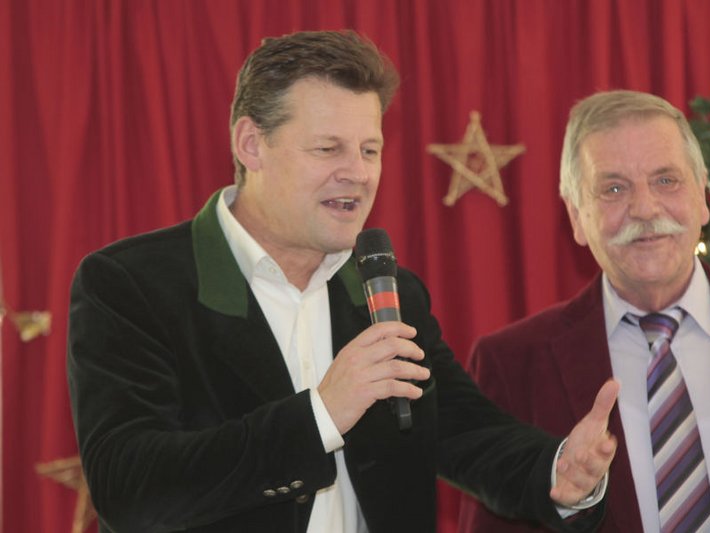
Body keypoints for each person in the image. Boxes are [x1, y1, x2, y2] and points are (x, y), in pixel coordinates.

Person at [67, 30, 620, 533]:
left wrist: (557, 469)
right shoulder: (131, 285)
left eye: (369, 150)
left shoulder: (388, 292)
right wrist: (321, 415)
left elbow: (464, 431)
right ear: (251, 145)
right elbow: (129, 489)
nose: (357, 172)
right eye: (327, 148)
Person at [457, 90, 710, 533]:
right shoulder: (511, 366)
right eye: (614, 189)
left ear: (702, 197)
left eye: (666, 180)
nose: (645, 208)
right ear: (576, 217)